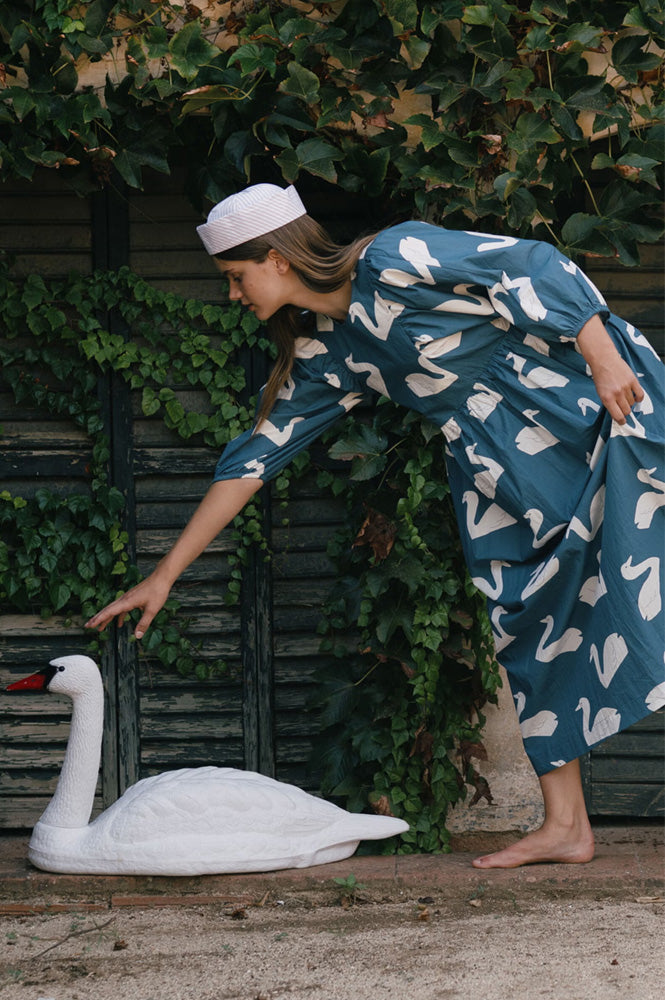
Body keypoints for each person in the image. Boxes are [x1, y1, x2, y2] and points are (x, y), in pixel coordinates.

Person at [86, 183, 665, 869]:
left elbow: (531, 264)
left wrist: (602, 357)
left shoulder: (392, 256)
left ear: (276, 258)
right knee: (528, 619)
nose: (233, 296)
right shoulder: (328, 351)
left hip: (580, 412)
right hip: (500, 472)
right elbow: (253, 460)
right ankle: (566, 825)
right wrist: (164, 575)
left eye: (236, 277)